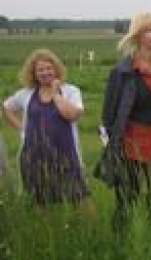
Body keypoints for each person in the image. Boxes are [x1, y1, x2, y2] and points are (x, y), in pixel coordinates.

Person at [99, 13, 151, 234]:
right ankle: (121, 244)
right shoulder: (122, 73)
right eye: (150, 30)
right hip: (130, 148)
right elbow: (108, 116)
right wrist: (114, 144)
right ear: (138, 35)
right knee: (126, 200)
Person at [3, 48, 89, 206]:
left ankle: (91, 230)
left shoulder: (70, 91)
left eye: (49, 68)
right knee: (39, 199)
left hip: (66, 154)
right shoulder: (26, 93)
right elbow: (7, 107)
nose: (45, 72)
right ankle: (45, 229)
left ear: (56, 69)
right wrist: (22, 129)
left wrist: (56, 93)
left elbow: (72, 114)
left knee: (79, 196)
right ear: (34, 73)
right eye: (40, 70)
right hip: (33, 155)